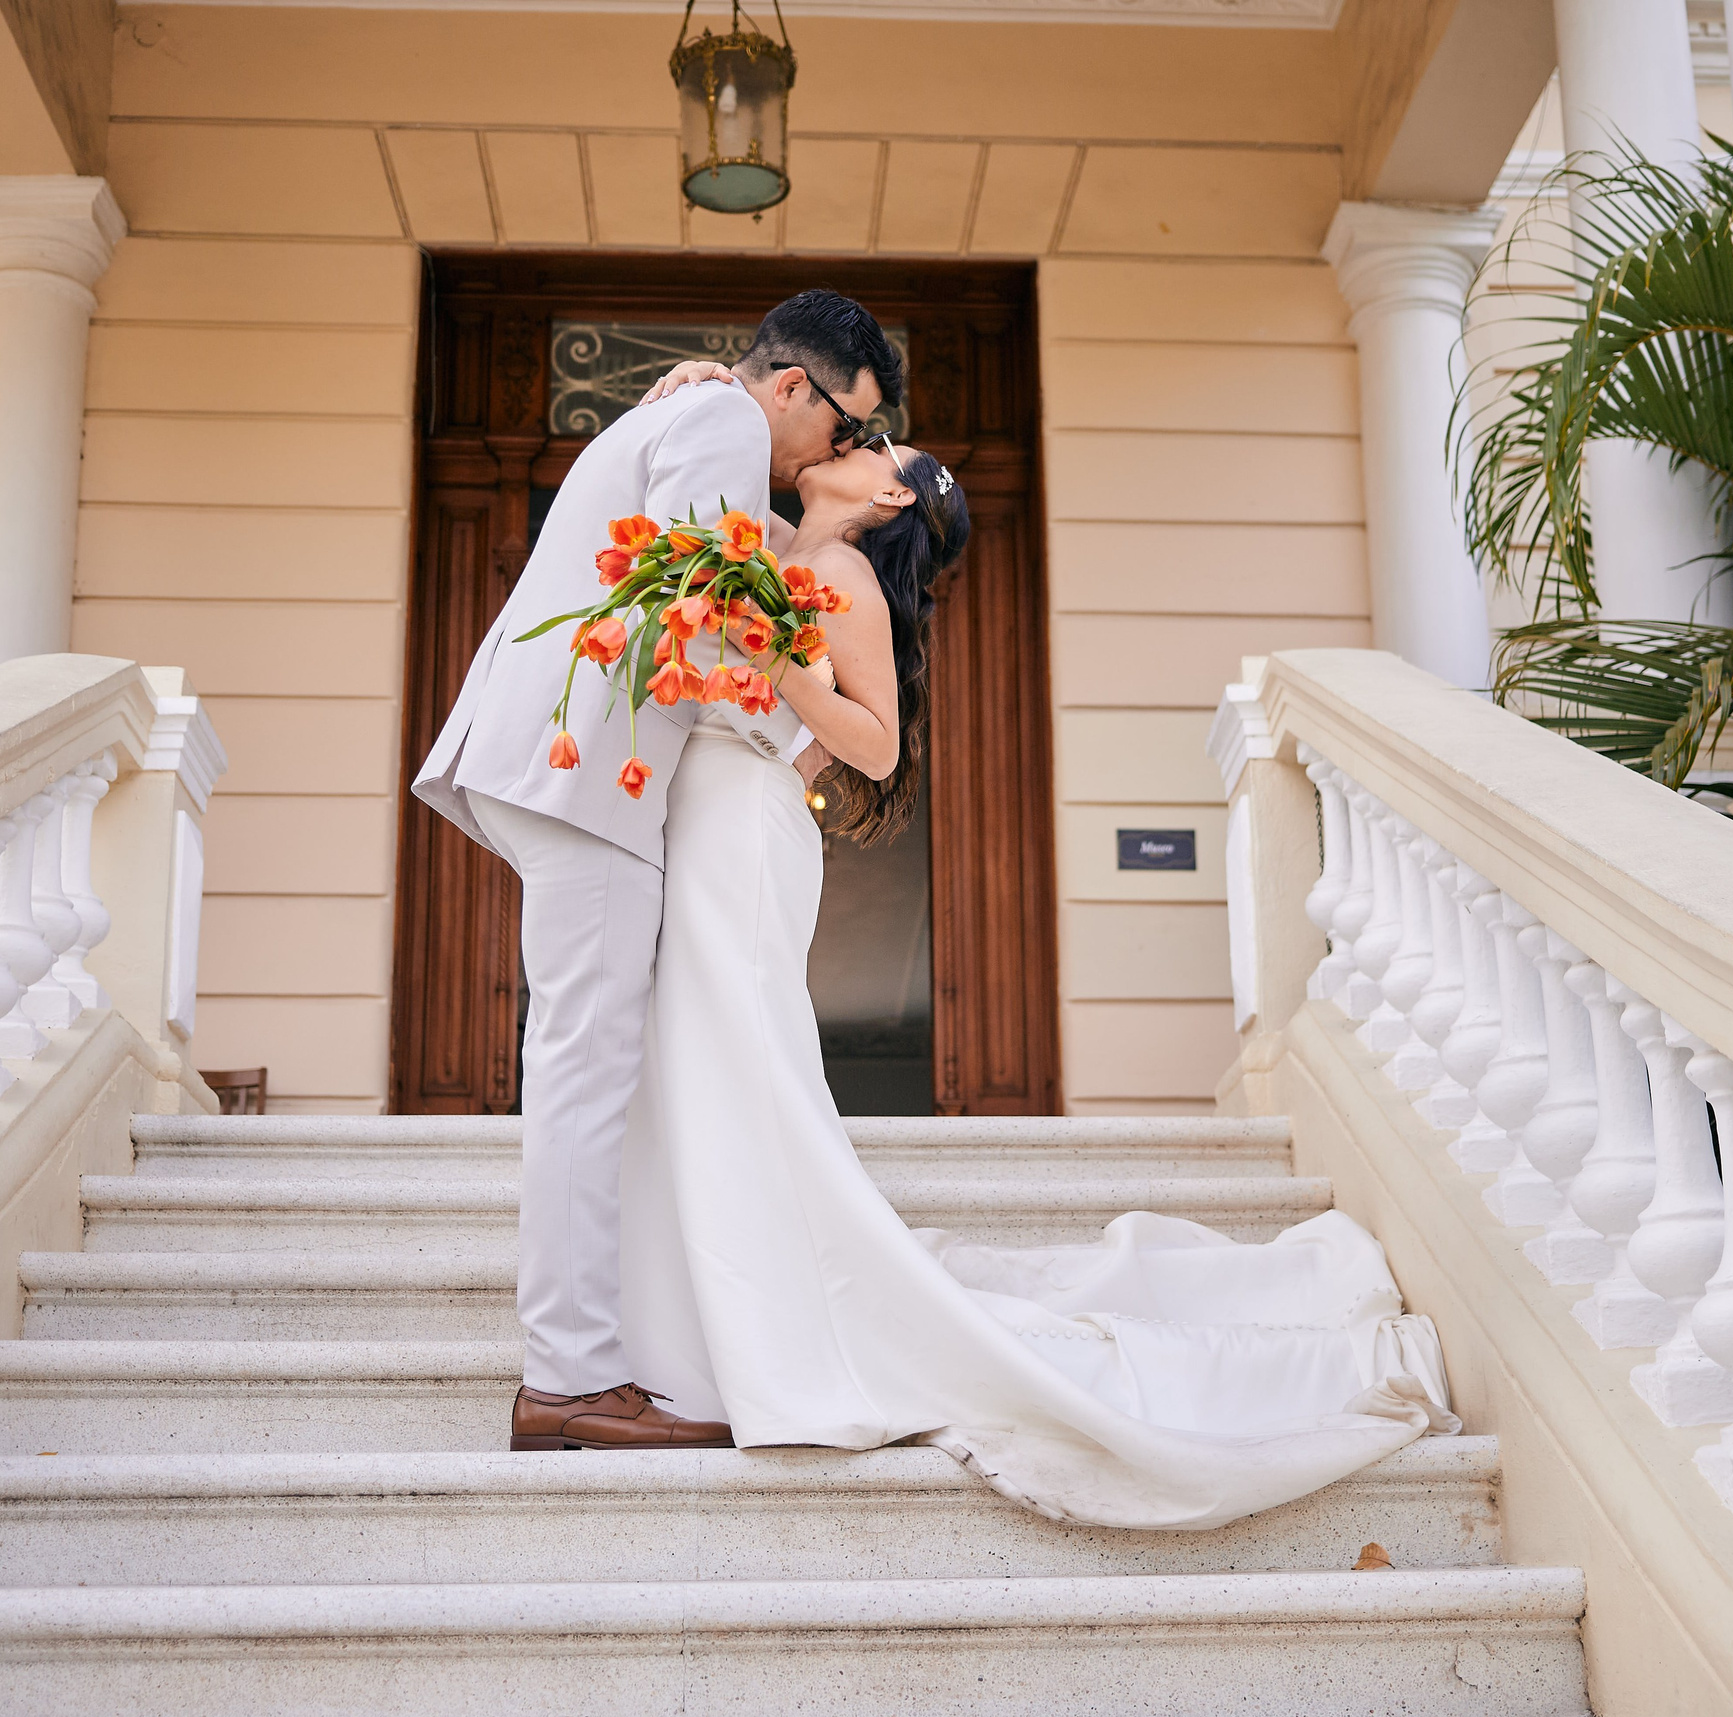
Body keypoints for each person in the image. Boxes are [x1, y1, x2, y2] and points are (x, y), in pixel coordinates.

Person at [607, 379, 1460, 1528]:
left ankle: (765, 1322)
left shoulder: (844, 575)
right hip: (709, 814)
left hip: (746, 838)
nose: (850, 443)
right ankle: (703, 1316)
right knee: (704, 1064)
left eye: (875, 445)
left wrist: (773, 665)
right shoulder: (762, 540)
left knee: (739, 1062)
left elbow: (868, 737)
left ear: (888, 494)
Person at [411, 290, 903, 1450]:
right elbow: (701, 602)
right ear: (793, 388)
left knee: (596, 1063)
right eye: (841, 428)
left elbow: (702, 589)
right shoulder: (724, 424)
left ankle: (592, 1354)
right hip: (591, 768)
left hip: (581, 762)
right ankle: (568, 1375)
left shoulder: (697, 414)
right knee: (585, 1068)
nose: (835, 454)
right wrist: (799, 747)